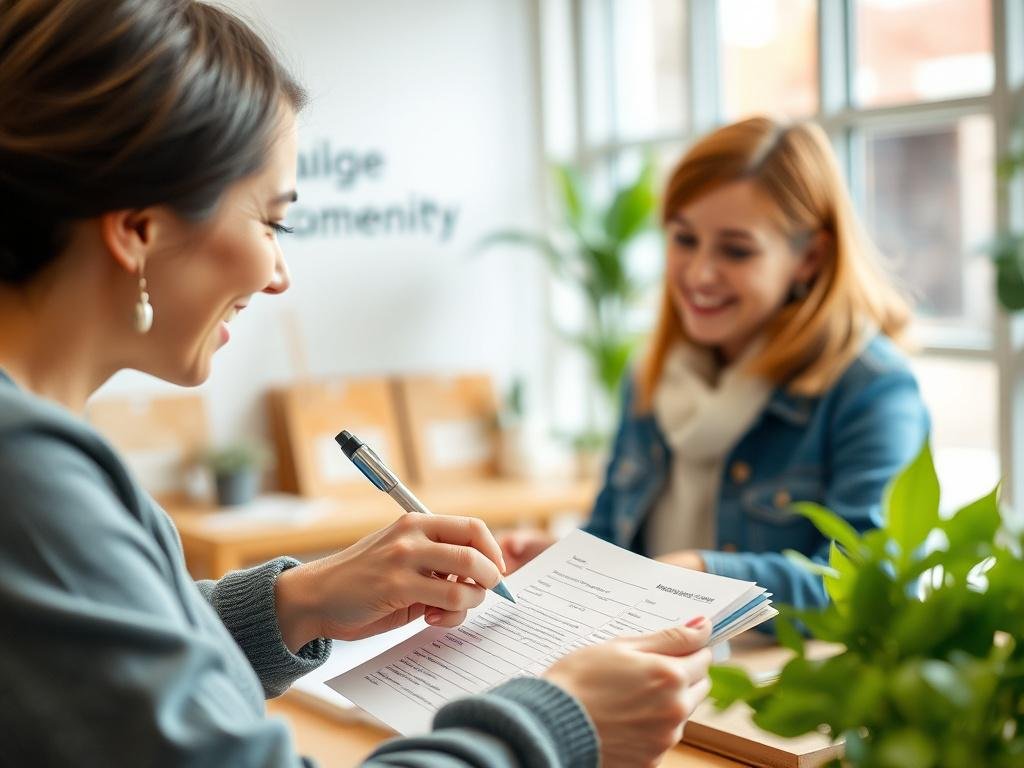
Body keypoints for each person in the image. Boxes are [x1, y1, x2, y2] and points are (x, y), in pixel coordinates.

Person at [0, 1, 712, 766]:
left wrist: (297, 601)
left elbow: (97, 687)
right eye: (273, 223)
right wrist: (557, 724)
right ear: (138, 229)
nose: (278, 274)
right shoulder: (27, 472)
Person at [501, 117, 930, 611]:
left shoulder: (869, 389)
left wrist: (705, 576)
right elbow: (612, 534)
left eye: (736, 250)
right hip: (657, 671)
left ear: (810, 257)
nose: (700, 274)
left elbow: (869, 583)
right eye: (684, 240)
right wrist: (566, 563)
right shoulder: (650, 375)